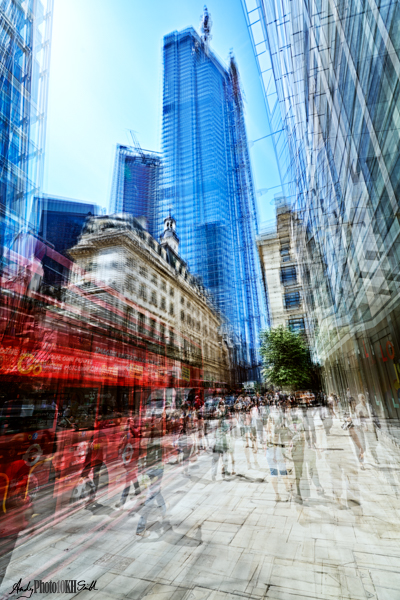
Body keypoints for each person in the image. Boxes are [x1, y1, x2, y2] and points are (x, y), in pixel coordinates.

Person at [136, 416, 166, 537]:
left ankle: (163, 510)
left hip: (149, 469)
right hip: (157, 469)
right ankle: (140, 528)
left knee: (156, 491)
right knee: (151, 498)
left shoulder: (146, 440)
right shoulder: (159, 439)